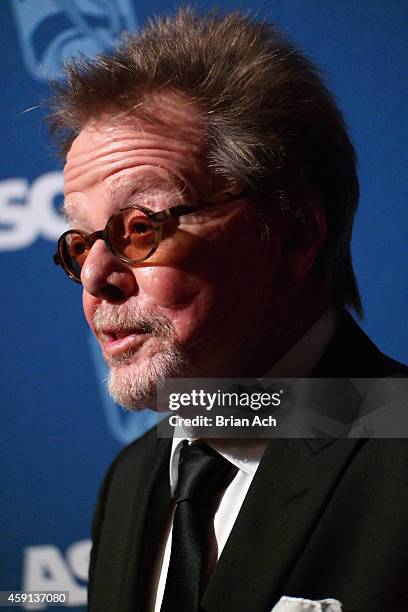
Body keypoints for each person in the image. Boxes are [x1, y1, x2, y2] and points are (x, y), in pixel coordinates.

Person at [50, 9, 408, 612]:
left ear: (292, 236)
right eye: (80, 244)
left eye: (140, 227)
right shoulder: (131, 481)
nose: (94, 279)